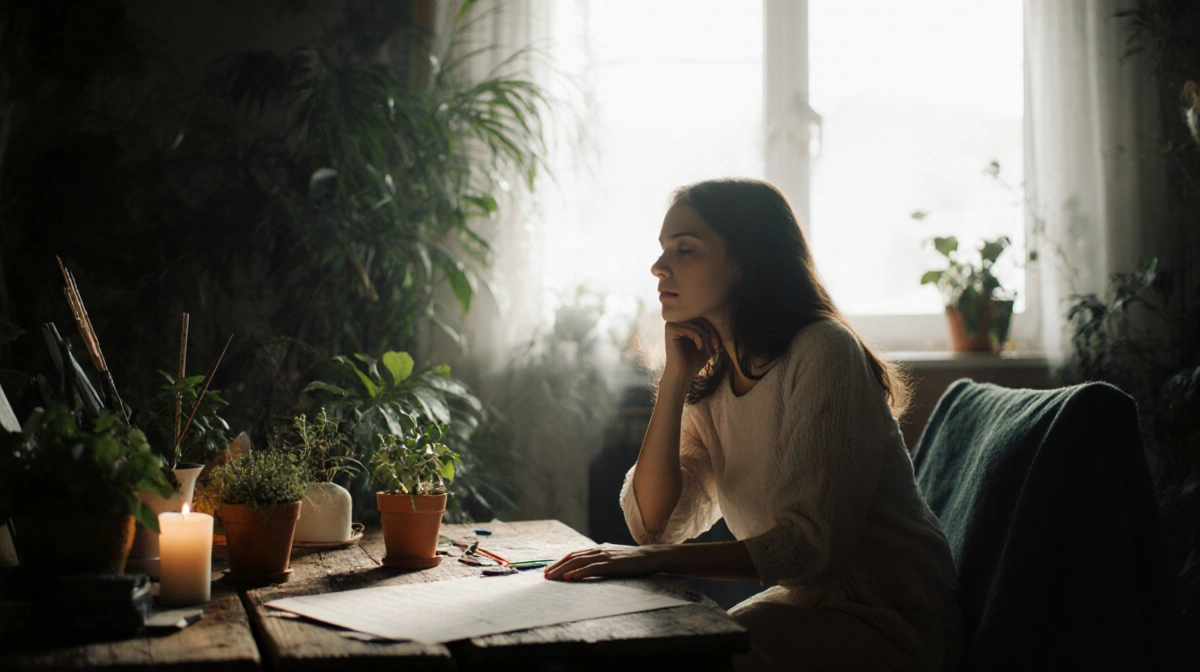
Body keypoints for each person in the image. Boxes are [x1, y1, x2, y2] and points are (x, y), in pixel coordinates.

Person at [543, 178, 964, 670]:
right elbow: (653, 524)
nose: (659, 267)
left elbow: (810, 548)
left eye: (684, 250)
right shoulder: (715, 376)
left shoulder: (823, 350)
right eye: (663, 250)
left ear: (745, 262)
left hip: (892, 623)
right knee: (659, 647)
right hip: (804, 609)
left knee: (688, 657)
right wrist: (677, 379)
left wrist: (650, 562)